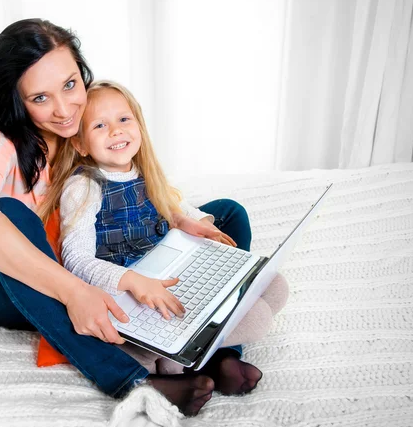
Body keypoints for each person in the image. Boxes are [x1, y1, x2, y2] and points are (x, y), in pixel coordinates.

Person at [0, 18, 285, 417]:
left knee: (226, 216)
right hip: (27, 286)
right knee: (11, 213)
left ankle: (213, 348)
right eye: (40, 98)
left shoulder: (88, 116)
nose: (63, 109)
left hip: (103, 259)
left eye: (70, 85)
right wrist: (74, 291)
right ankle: (131, 379)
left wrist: (178, 217)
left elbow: (126, 187)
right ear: (16, 99)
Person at [38, 80, 289, 388]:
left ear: (139, 125)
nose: (116, 131)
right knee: (258, 316)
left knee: (273, 284)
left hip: (165, 271)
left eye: (123, 119)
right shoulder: (84, 185)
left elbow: (172, 204)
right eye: (100, 125)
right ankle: (187, 357)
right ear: (80, 144)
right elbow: (76, 261)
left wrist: (189, 221)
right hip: (129, 289)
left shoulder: (142, 170)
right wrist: (132, 281)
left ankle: (198, 351)